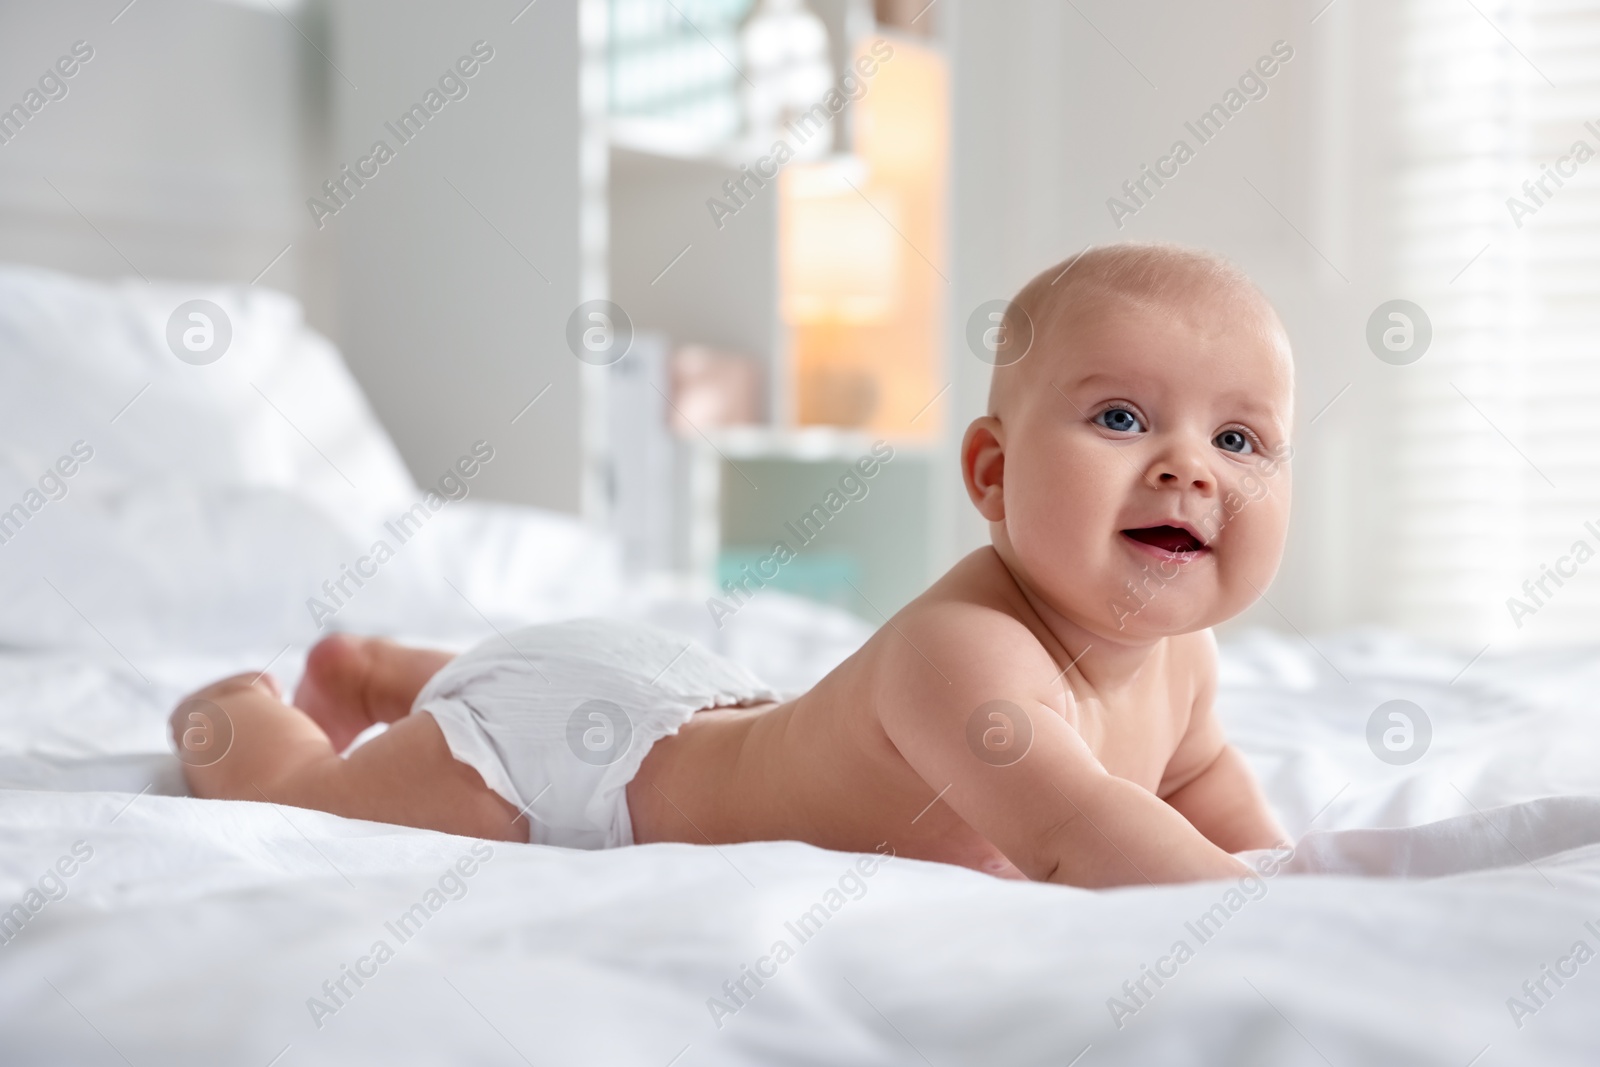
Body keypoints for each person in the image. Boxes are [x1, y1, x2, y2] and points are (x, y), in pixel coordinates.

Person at [173, 242, 1294, 888]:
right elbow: (1074, 831)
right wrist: (1253, 912)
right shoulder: (968, 652)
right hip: (569, 771)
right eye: (1119, 416)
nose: (1187, 467)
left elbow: (1203, 792)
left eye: (1239, 440)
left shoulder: (1182, 660)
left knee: (562, 686)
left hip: (665, 694)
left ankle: (378, 670)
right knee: (316, 796)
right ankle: (232, 710)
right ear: (991, 475)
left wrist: (1272, 862)